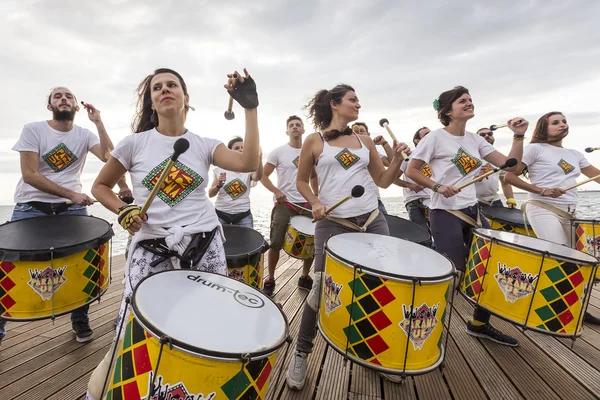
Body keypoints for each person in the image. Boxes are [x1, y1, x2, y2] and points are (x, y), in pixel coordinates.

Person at [85, 67, 260, 400]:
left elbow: (249, 161)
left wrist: (250, 109)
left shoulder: (206, 144)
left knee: (207, 320)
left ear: (185, 98)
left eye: (172, 85)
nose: (164, 90)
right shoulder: (134, 144)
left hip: (204, 243)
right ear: (152, 102)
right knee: (134, 324)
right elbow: (100, 186)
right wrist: (124, 211)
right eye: (157, 88)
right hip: (150, 247)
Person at [286, 84, 409, 389]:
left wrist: (395, 160)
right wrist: (314, 202)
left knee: (377, 288)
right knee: (319, 290)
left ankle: (373, 353)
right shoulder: (314, 141)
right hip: (333, 223)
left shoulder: (364, 140)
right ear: (334, 104)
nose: (358, 104)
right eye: (352, 100)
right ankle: (302, 352)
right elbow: (302, 180)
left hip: (371, 221)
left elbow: (382, 181)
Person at [0, 87, 130, 348]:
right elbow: (30, 175)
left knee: (80, 263)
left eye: (68, 96)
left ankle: (79, 319)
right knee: (8, 265)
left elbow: (109, 158)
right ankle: (1, 327)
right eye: (57, 96)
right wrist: (73, 193)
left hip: (71, 210)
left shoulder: (84, 134)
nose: (63, 99)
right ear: (50, 106)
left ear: (76, 106)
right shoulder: (33, 130)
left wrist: (99, 122)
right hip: (30, 208)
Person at [406, 85, 527, 347]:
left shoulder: (475, 140)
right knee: (454, 273)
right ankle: (422, 327)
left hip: (473, 210)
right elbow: (412, 171)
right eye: (463, 101)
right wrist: (437, 186)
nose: (469, 103)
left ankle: (480, 324)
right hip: (445, 211)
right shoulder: (435, 138)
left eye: (471, 100)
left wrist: (518, 136)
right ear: (448, 110)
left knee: (489, 267)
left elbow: (512, 166)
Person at [504, 111, 600, 325]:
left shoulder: (575, 154)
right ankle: (550, 311)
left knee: (580, 260)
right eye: (555, 122)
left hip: (570, 213)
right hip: (543, 207)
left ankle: (577, 308)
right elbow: (509, 176)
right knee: (561, 256)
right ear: (543, 128)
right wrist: (541, 190)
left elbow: (597, 176)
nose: (562, 124)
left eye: (564, 121)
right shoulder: (534, 149)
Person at [260, 116, 317, 296]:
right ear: (287, 131)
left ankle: (305, 276)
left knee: (311, 243)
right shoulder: (278, 152)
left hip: (307, 203)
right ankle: (270, 277)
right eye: (291, 125)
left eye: (298, 125)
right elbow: (263, 175)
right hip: (285, 204)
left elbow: (314, 176)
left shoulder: (311, 152)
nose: (294, 127)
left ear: (303, 130)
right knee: (276, 242)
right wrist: (277, 192)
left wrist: (316, 196)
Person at [208, 136, 263, 228]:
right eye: (237, 148)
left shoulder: (249, 169)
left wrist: (259, 157)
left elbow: (257, 177)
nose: (241, 150)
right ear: (230, 152)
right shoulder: (220, 170)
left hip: (243, 215)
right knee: (218, 241)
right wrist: (219, 185)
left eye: (243, 148)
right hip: (221, 214)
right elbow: (210, 194)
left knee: (246, 241)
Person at [352, 121, 393, 214]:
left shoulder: (372, 152)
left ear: (368, 134)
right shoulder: (346, 151)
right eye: (355, 131)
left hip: (374, 199)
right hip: (354, 201)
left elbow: (391, 163)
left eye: (362, 131)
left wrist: (384, 143)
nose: (359, 133)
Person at [399, 127, 433, 233]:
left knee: (439, 233)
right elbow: (393, 179)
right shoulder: (409, 157)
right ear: (417, 141)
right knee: (422, 234)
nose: (431, 136)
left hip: (434, 200)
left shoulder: (437, 156)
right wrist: (411, 185)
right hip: (414, 201)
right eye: (426, 134)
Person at [475, 127, 517, 208]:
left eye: (490, 134)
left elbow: (505, 182)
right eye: (482, 135)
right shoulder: (469, 157)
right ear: (476, 139)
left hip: (495, 201)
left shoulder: (498, 159)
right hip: (474, 201)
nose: (487, 136)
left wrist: (510, 199)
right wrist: (476, 177)